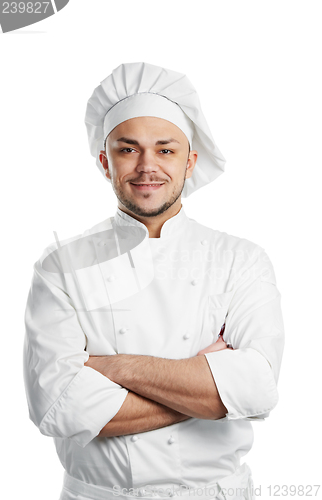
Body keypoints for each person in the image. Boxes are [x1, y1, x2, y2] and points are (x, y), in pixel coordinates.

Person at [23, 62, 285, 500]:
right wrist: (208, 388)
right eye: (129, 149)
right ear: (106, 163)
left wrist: (113, 367)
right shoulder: (61, 265)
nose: (147, 166)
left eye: (166, 150)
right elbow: (58, 407)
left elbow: (258, 389)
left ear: (190, 162)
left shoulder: (240, 260)